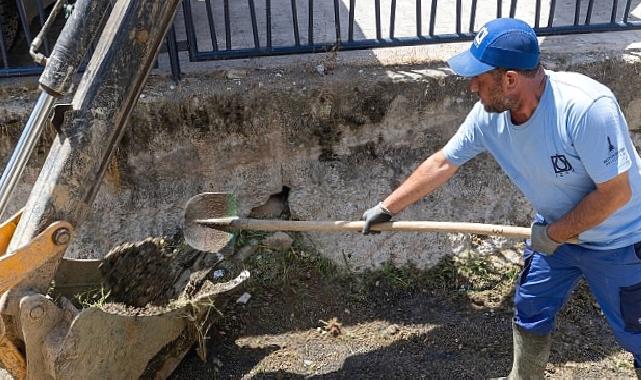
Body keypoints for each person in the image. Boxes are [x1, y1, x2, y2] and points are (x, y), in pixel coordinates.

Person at [361, 17, 641, 379]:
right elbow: (444, 162)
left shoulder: (585, 109)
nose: (471, 87)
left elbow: (616, 194)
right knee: (531, 307)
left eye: (479, 77)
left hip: (620, 241)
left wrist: (553, 234)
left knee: (634, 330)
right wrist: (388, 208)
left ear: (510, 79)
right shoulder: (487, 118)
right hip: (554, 234)